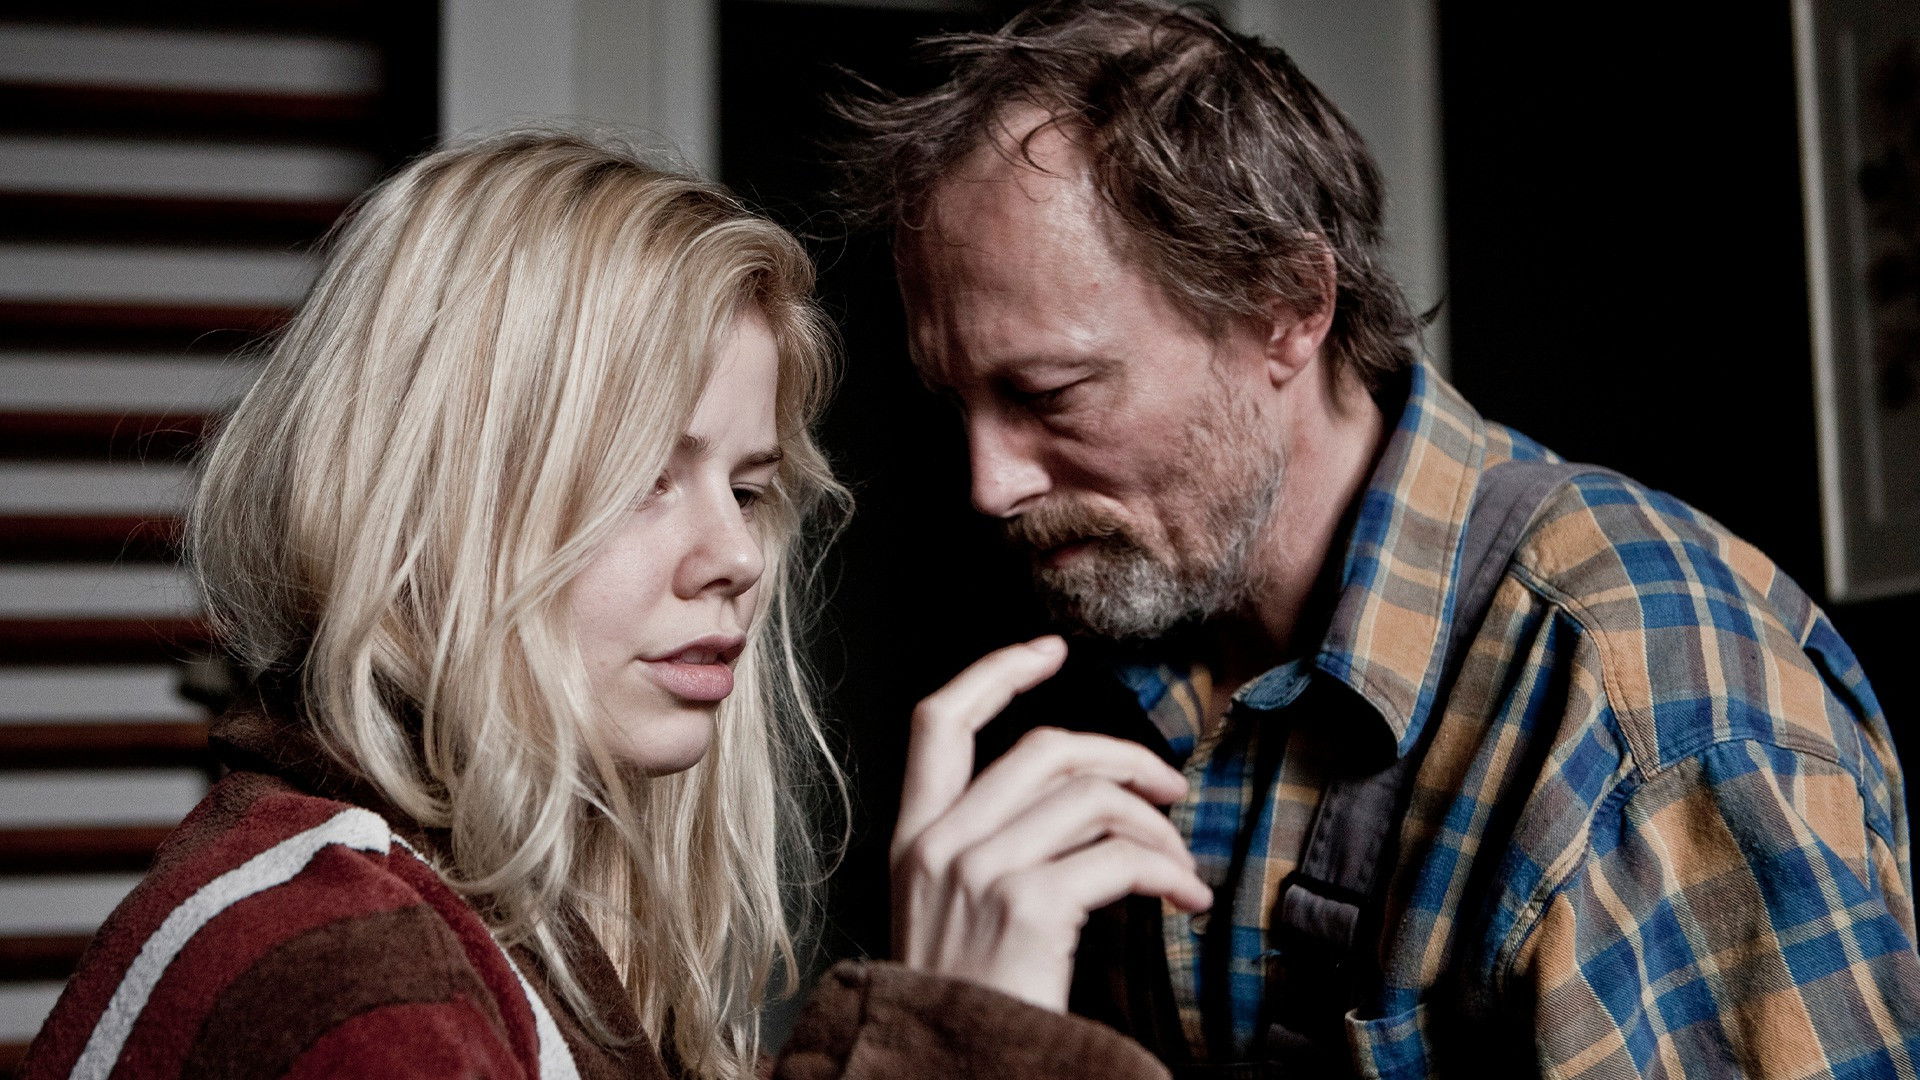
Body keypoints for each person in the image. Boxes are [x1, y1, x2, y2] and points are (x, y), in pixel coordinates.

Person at [841, 2, 1920, 1075]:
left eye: (1051, 393)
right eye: (959, 404)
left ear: (1287, 307)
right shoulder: (1123, 630)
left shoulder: (1644, 696)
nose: (990, 485)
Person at [21, 130, 1182, 1080]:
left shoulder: (486, 922)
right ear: (423, 504)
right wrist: (951, 1041)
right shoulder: (343, 975)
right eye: (641, 480)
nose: (735, 557)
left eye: (748, 488)